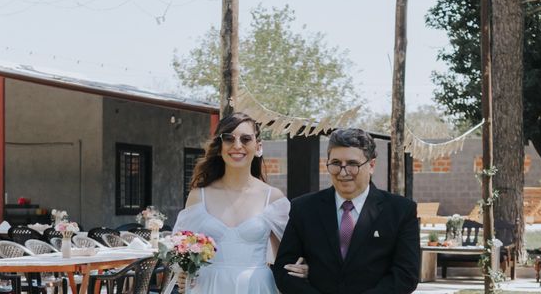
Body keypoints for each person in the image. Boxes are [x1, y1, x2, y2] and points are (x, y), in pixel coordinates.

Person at [272, 128, 420, 294]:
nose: (343, 172)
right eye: (336, 163)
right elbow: (284, 270)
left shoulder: (400, 211)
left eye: (352, 164)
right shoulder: (303, 208)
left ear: (371, 165)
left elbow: (406, 275)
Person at [173, 112, 307, 293]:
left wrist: (304, 268)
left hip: (256, 287)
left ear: (258, 146)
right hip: (207, 287)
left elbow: (289, 257)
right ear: (220, 146)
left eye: (245, 139)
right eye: (228, 138)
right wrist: (184, 274)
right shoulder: (199, 196)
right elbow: (180, 250)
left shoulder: (273, 199)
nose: (237, 146)